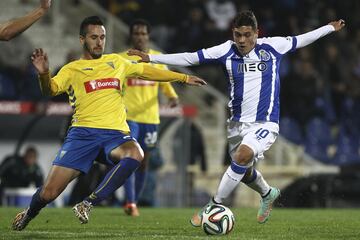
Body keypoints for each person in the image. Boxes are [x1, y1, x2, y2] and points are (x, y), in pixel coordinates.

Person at [128, 10, 345, 225]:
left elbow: (302, 39)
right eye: (238, 34)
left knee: (242, 156)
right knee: (244, 169)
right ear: (233, 33)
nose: (242, 40)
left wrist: (329, 28)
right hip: (236, 124)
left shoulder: (272, 46)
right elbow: (192, 57)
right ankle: (268, 193)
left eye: (247, 35)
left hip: (265, 123)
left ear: (256, 33)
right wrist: (151, 58)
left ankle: (213, 205)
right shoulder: (226, 50)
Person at [11, 15, 206, 231]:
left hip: (115, 134)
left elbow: (147, 71)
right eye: (94, 37)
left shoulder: (117, 62)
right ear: (81, 39)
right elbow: (50, 90)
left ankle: (88, 203)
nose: (99, 42)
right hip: (82, 135)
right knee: (49, 192)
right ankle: (30, 212)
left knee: (136, 154)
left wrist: (184, 78)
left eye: (102, 37)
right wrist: (44, 74)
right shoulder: (72, 69)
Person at [118, 19, 179, 216]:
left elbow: (164, 81)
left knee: (144, 161)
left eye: (143, 33)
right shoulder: (121, 59)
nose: (140, 37)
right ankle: (129, 202)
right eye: (136, 33)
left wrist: (172, 96)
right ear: (131, 36)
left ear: (148, 36)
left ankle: (133, 200)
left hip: (151, 118)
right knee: (130, 156)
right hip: (129, 116)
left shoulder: (157, 58)